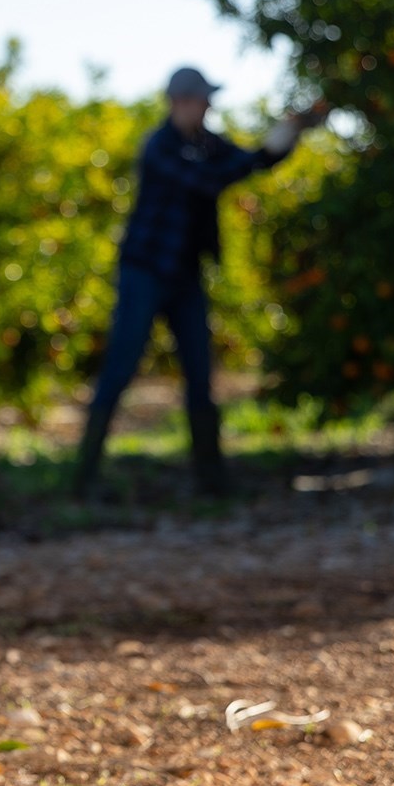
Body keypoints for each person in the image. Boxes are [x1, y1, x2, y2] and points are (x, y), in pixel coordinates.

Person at [71, 66, 326, 501]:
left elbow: (252, 162)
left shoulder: (206, 143)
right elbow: (211, 179)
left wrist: (289, 134)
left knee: (200, 374)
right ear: (181, 101)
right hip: (145, 271)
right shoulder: (160, 147)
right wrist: (260, 152)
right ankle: (84, 478)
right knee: (120, 368)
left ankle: (212, 480)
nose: (208, 106)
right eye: (202, 99)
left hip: (185, 275)